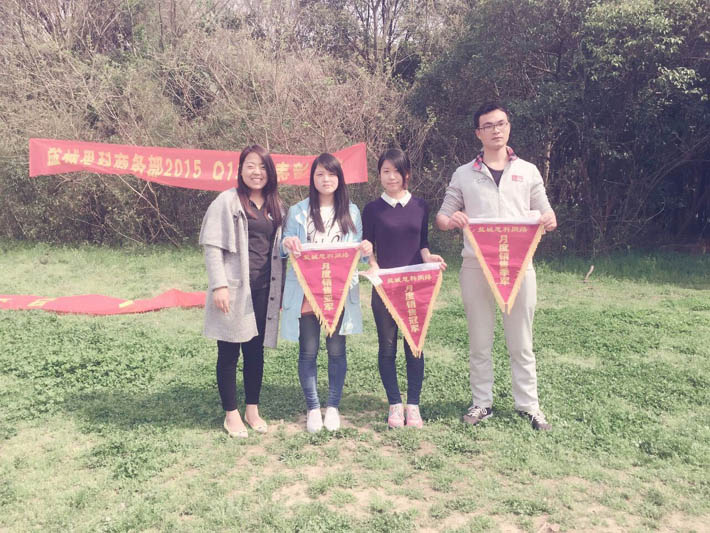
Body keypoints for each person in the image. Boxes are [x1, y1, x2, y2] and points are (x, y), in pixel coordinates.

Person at [435, 103, 558, 431]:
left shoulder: (528, 171)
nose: (495, 130)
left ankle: (529, 406)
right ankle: (481, 403)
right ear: (478, 133)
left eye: (500, 123)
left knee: (521, 341)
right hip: (476, 267)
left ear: (509, 127)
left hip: (519, 266)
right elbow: (443, 217)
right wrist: (452, 220)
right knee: (480, 341)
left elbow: (546, 212)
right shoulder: (464, 174)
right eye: (488, 126)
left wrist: (548, 219)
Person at [281, 153, 372, 433]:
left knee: (336, 350)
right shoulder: (298, 211)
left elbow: (360, 253)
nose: (325, 179)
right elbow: (283, 247)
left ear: (339, 179)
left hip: (338, 291)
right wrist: (287, 242)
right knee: (308, 350)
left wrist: (367, 250)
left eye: (331, 174)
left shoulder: (351, 212)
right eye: (320, 174)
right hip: (306, 290)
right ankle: (313, 407)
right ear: (312, 178)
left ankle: (332, 406)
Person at [199, 145, 286, 438]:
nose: (256, 172)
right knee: (228, 352)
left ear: (270, 172)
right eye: (250, 165)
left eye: (262, 167)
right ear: (240, 169)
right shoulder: (227, 201)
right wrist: (219, 285)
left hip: (265, 290)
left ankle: (252, 410)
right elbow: (212, 246)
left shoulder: (276, 205)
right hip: (235, 289)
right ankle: (231, 414)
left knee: (254, 351)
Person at [362, 148, 446, 429]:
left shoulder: (420, 206)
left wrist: (429, 258)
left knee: (415, 346)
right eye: (385, 171)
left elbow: (422, 244)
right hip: (385, 287)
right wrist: (373, 266)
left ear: (406, 174)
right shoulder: (372, 209)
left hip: (414, 288)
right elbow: (369, 247)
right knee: (387, 348)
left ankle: (413, 405)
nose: (391, 177)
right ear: (379, 175)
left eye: (396, 171)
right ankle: (395, 405)